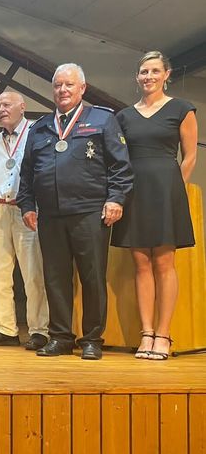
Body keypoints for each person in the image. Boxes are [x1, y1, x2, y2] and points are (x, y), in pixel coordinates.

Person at [18, 63, 133, 360]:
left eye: (69, 85)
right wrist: (27, 205)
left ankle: (92, 339)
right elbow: (27, 172)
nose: (63, 90)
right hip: (51, 215)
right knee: (55, 278)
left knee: (92, 277)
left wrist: (116, 199)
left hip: (90, 212)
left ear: (82, 88)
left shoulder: (103, 119)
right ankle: (60, 337)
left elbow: (120, 165)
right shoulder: (40, 127)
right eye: (58, 85)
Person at [111, 51, 197, 361]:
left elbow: (189, 156)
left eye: (155, 71)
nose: (148, 76)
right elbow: (118, 157)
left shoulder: (182, 109)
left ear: (166, 74)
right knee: (141, 264)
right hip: (134, 191)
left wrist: (176, 187)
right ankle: (146, 333)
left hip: (166, 191)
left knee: (164, 263)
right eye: (144, 71)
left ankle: (164, 335)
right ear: (137, 77)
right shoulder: (123, 116)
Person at [0, 90, 49, 350]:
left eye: (6, 104)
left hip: (27, 209)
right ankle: (6, 329)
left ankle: (40, 330)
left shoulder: (37, 132)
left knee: (33, 273)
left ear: (23, 106)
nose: (1, 109)